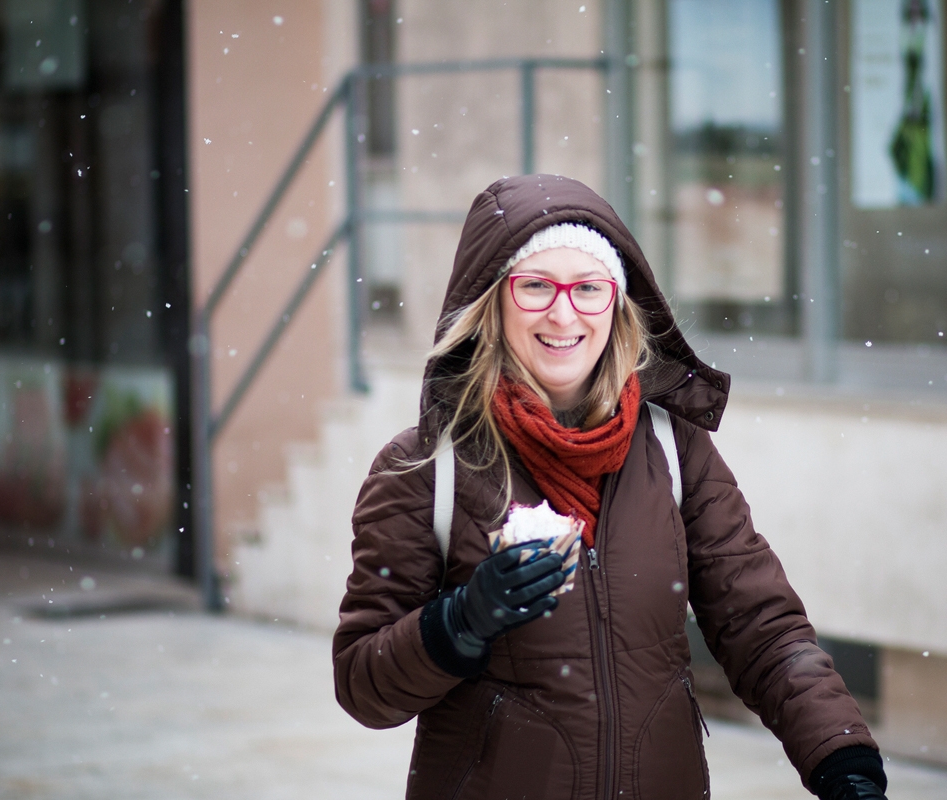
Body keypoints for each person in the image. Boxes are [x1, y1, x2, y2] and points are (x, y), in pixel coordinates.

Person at [334, 174, 888, 800]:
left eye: (588, 288)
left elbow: (762, 629)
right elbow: (362, 685)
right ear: (494, 301)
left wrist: (843, 762)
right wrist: (461, 622)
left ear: (617, 303)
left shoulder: (674, 449)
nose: (563, 312)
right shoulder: (427, 468)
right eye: (535, 286)